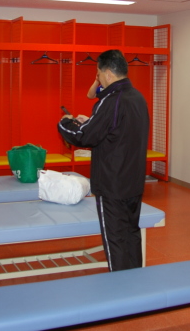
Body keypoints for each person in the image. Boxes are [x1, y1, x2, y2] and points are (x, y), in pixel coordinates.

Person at [57, 50, 150, 272]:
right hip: (134, 180)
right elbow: (116, 131)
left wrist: (65, 123)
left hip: (112, 184)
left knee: (114, 238)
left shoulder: (110, 101)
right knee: (131, 232)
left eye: (98, 73)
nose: (98, 77)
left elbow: (84, 137)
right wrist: (92, 121)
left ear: (108, 73)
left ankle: (120, 286)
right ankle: (135, 281)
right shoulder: (137, 97)